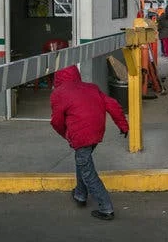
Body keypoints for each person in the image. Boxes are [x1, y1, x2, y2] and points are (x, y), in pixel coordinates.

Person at [50, 65, 129, 221]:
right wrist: (123, 126)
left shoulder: (58, 93)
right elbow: (112, 104)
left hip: (81, 136)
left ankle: (106, 208)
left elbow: (56, 121)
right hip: (97, 132)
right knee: (82, 160)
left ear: (57, 77)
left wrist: (67, 135)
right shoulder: (91, 87)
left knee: (87, 171)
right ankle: (80, 194)